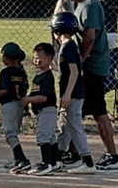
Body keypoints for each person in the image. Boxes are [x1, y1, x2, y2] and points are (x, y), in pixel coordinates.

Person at [55, 0, 118, 169]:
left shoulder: (90, 6)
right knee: (80, 111)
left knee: (97, 110)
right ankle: (76, 153)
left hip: (92, 66)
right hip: (87, 66)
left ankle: (112, 155)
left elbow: (90, 37)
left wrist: (79, 62)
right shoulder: (81, 5)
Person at [51, 12, 96, 174]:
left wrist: (67, 94)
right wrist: (55, 68)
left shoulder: (67, 47)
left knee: (75, 126)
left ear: (57, 30)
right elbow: (68, 70)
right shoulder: (70, 46)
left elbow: (75, 72)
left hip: (74, 93)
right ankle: (59, 157)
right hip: (75, 92)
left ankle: (88, 162)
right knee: (71, 126)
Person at [0, 42, 30, 173]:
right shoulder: (21, 71)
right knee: (14, 133)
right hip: (19, 104)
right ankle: (16, 159)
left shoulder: (5, 72)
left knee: (10, 135)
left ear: (6, 58)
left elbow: (4, 90)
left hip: (9, 105)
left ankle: (22, 159)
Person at [19, 43, 59, 176]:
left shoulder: (47, 76)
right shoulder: (39, 75)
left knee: (43, 136)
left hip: (47, 110)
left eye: (39, 58)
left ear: (49, 59)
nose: (36, 61)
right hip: (42, 111)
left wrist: (29, 99)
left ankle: (46, 164)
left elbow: (44, 98)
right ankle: (55, 162)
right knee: (51, 137)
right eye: (34, 58)